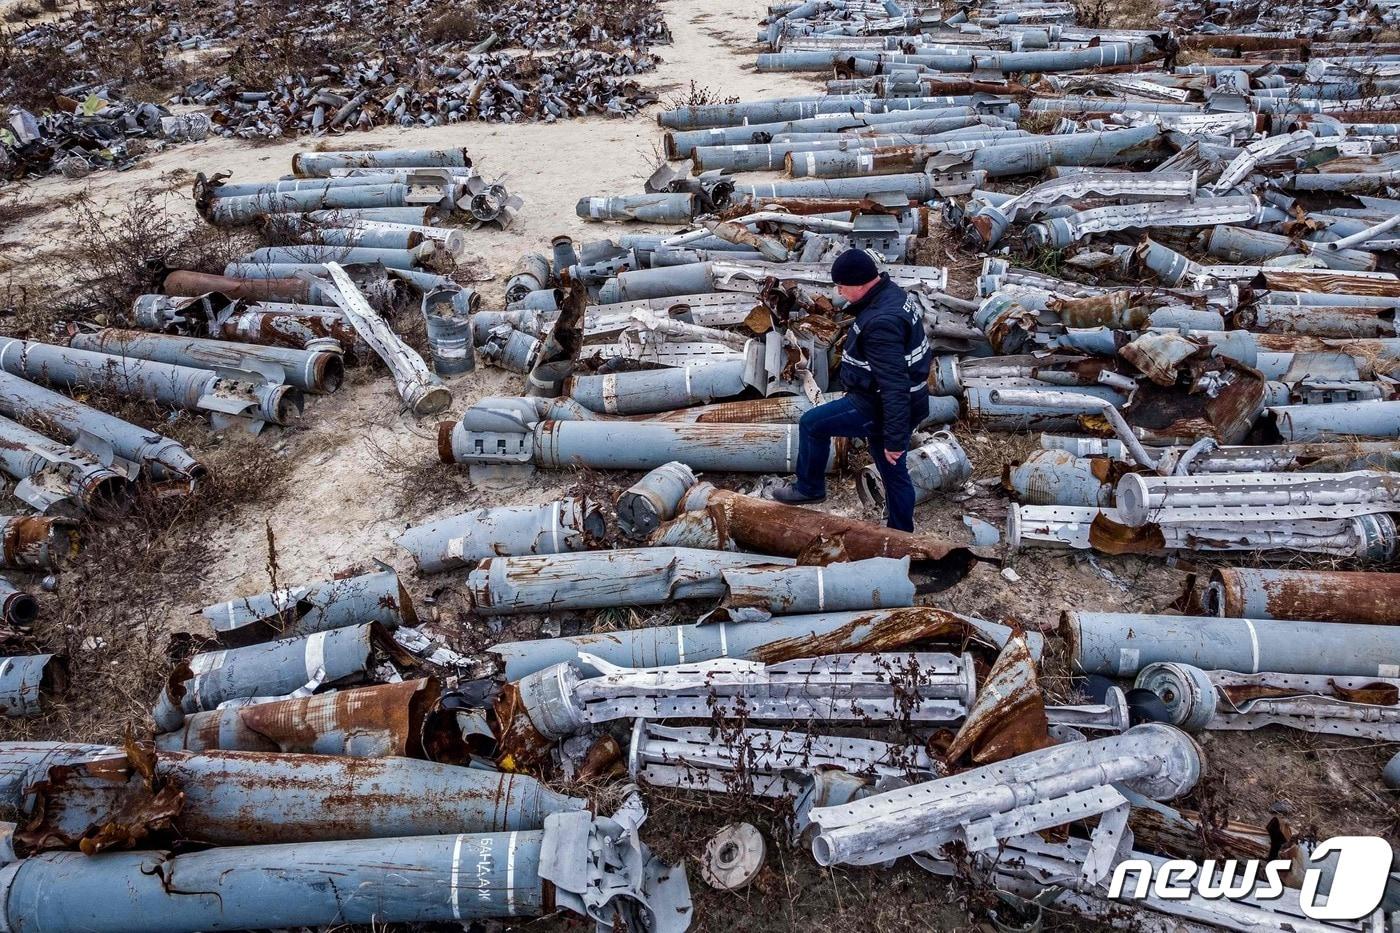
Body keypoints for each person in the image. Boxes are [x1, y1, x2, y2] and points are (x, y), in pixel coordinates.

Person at [772, 248, 931, 531]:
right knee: (892, 470)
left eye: (842, 286)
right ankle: (901, 530)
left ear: (860, 283)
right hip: (895, 402)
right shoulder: (891, 295)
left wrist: (895, 437)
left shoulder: (882, 323)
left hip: (878, 406)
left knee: (812, 423)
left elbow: (895, 385)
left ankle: (809, 488)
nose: (839, 292)